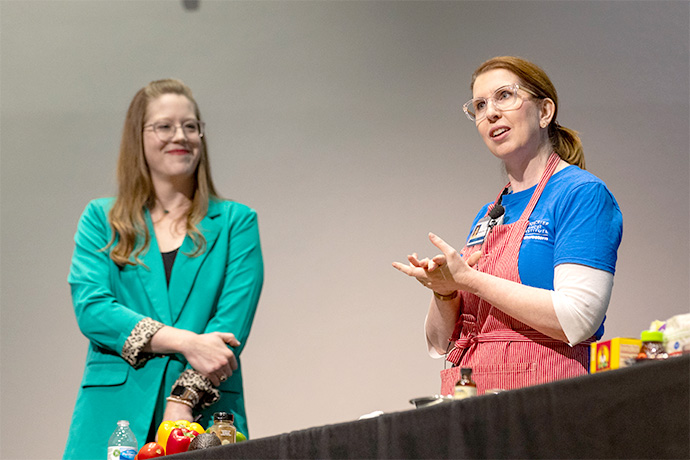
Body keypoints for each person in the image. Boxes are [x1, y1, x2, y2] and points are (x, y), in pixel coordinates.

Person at [392, 56, 622, 395]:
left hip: (549, 397)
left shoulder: (581, 195)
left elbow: (577, 319)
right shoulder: (489, 214)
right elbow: (439, 344)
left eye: (505, 96)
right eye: (480, 105)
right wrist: (445, 291)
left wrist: (472, 280)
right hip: (473, 394)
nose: (491, 113)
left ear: (545, 111)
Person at [64, 79, 264, 459]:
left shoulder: (237, 222)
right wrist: (187, 341)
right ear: (137, 137)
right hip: (114, 414)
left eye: (191, 126)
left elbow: (229, 329)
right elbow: (93, 309)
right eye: (165, 126)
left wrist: (183, 402)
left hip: (205, 414)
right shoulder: (101, 218)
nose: (181, 136)